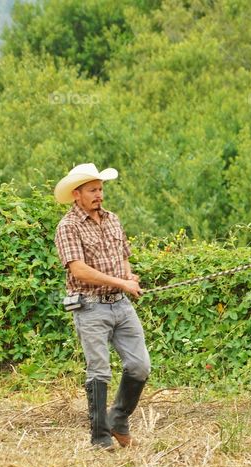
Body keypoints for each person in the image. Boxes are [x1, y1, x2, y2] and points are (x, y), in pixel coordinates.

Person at [53, 163, 150, 449]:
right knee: (99, 369)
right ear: (76, 194)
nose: (99, 195)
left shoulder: (112, 220)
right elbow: (79, 270)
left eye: (101, 189)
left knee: (139, 366)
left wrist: (128, 275)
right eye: (93, 190)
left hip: (120, 305)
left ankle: (118, 418)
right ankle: (100, 436)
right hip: (90, 307)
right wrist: (123, 284)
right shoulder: (68, 227)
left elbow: (123, 257)